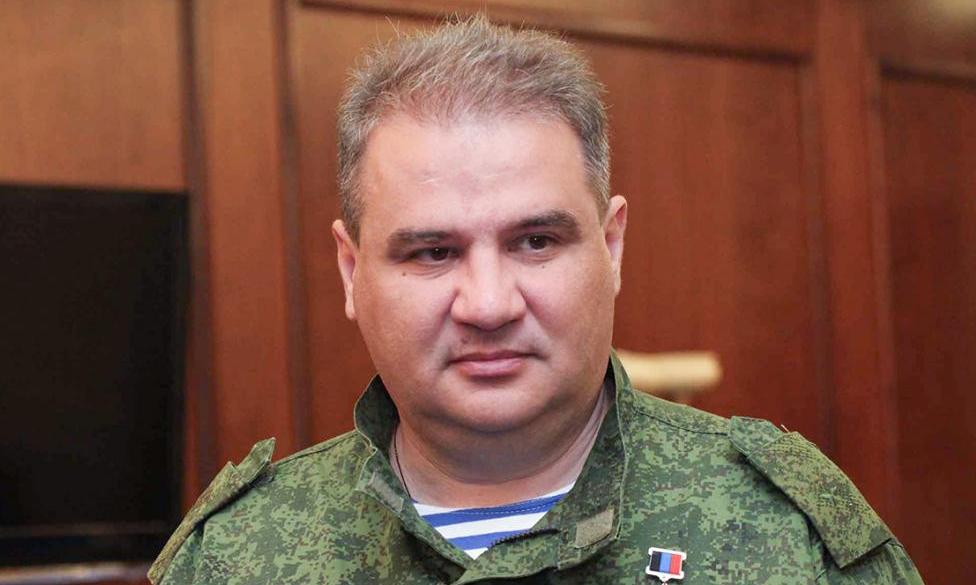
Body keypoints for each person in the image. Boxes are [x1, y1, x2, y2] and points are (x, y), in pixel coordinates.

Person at [149, 15, 923, 584]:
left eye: (536, 241)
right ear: (352, 272)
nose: (488, 304)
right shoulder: (234, 556)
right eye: (433, 251)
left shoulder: (789, 538)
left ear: (611, 247)